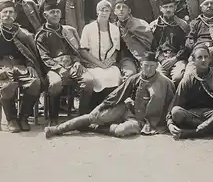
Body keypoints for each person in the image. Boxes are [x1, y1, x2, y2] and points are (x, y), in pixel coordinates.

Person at [45, 52, 175, 139]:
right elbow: (117, 94)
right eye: (146, 66)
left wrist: (168, 122)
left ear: (157, 66)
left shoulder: (166, 83)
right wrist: (101, 107)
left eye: (152, 66)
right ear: (141, 65)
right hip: (128, 109)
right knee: (93, 116)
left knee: (122, 131)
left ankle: (94, 128)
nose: (148, 70)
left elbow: (172, 104)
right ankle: (56, 129)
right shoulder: (134, 79)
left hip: (142, 121)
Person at [0, 1, 43, 133]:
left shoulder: (22, 33)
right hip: (0, 66)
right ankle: (11, 119)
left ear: (15, 15)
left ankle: (24, 117)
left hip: (20, 66)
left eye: (11, 12)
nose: (8, 15)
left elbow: (29, 53)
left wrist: (30, 65)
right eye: (5, 12)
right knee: (8, 85)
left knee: (35, 83)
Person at [35, 3, 94, 123]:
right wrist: (58, 68)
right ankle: (53, 118)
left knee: (88, 81)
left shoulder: (67, 31)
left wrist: (77, 62)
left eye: (57, 12)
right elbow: (44, 57)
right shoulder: (41, 35)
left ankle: (82, 118)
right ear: (45, 15)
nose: (56, 14)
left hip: (71, 64)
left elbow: (76, 50)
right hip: (52, 67)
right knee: (55, 83)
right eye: (52, 12)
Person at [79, 0, 123, 94]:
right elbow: (83, 51)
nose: (104, 13)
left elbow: (116, 50)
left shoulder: (115, 29)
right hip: (93, 64)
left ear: (110, 13)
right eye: (101, 10)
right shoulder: (88, 28)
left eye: (107, 10)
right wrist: (99, 63)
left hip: (109, 65)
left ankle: (110, 105)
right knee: (99, 77)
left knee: (115, 76)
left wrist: (110, 61)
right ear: (97, 11)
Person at [149, 0, 190, 87]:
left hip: (178, 58)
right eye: (165, 7)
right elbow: (153, 46)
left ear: (175, 8)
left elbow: (187, 46)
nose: (168, 10)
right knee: (159, 77)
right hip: (161, 59)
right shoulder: (154, 26)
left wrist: (175, 58)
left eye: (171, 7)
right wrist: (162, 59)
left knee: (178, 77)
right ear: (160, 9)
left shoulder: (183, 25)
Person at [113, 0, 154, 78]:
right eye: (118, 7)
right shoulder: (112, 27)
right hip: (126, 58)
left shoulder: (140, 23)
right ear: (114, 12)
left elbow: (150, 43)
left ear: (129, 10)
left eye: (124, 7)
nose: (121, 10)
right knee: (130, 74)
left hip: (144, 57)